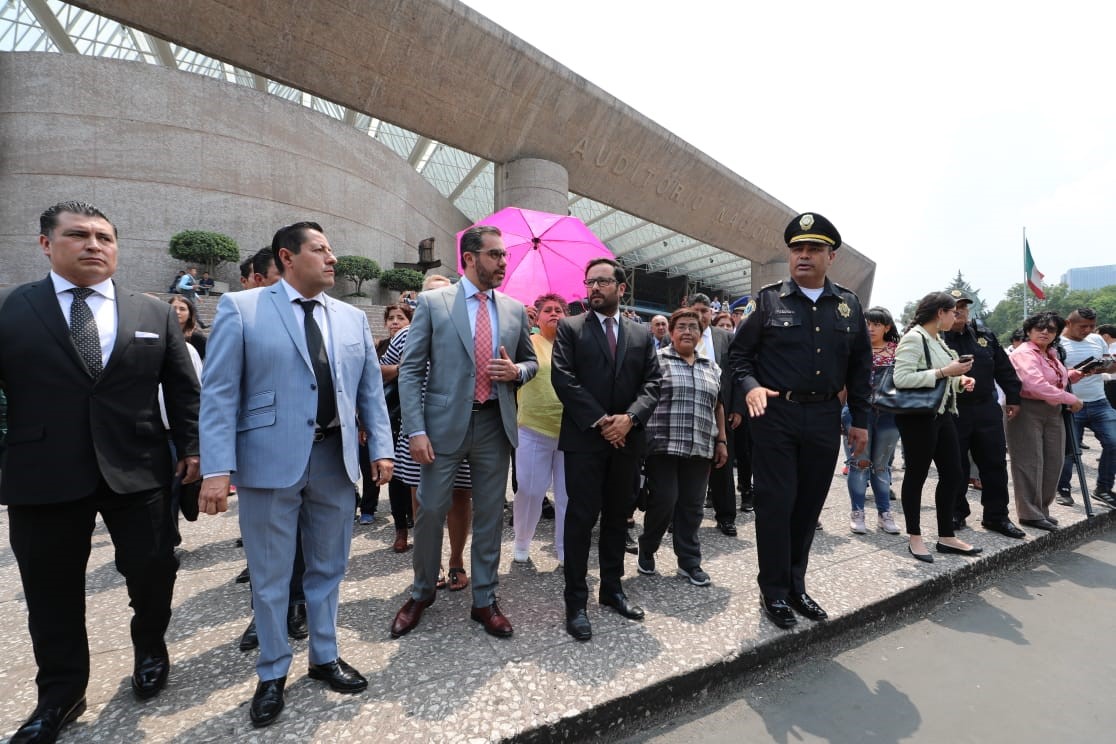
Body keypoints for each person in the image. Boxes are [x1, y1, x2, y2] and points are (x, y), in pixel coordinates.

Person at [0, 201, 200, 743]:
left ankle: (150, 645)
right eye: (78, 235)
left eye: (104, 237)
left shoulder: (152, 313)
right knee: (50, 591)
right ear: (46, 244)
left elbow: (183, 389)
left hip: (139, 467)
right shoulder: (11, 310)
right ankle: (60, 693)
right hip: (42, 473)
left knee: (155, 570)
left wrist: (193, 448)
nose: (93, 245)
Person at [198, 220, 394, 728]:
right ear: (287, 257)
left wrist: (383, 448)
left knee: (329, 567)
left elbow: (370, 391)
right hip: (267, 461)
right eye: (320, 250)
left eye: (333, 250)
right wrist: (217, 468)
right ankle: (271, 672)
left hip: (335, 460)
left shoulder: (351, 318)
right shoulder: (242, 309)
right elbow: (219, 393)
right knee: (270, 576)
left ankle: (323, 656)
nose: (332, 259)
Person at [389, 225, 538, 639]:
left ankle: (485, 599)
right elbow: (412, 369)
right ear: (468, 259)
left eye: (505, 255)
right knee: (431, 510)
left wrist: (517, 371)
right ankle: (421, 593)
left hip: (494, 422)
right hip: (440, 427)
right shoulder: (434, 303)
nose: (503, 262)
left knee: (490, 517)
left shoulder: (512, 308)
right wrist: (414, 429)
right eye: (495, 255)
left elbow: (530, 362)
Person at [728, 212, 870, 630]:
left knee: (808, 505)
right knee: (776, 504)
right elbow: (739, 357)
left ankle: (796, 585)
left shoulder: (848, 304)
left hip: (825, 415)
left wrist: (859, 419)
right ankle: (772, 590)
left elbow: (861, 365)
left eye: (813, 249)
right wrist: (751, 385)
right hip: (776, 415)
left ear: (832, 256)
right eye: (797, 249)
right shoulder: (768, 300)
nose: (803, 256)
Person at [552, 257, 662, 641]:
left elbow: (653, 384)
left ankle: (612, 589)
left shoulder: (642, 334)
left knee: (618, 518)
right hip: (585, 441)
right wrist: (603, 422)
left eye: (602, 281)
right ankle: (576, 601)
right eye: (589, 282)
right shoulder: (570, 328)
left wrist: (628, 420)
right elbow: (563, 379)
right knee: (580, 521)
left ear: (621, 287)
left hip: (628, 442)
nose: (594, 288)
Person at [637, 308, 728, 586]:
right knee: (664, 500)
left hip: (700, 446)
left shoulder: (711, 367)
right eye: (682, 327)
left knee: (692, 506)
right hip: (662, 445)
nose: (687, 331)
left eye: (693, 327)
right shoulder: (656, 361)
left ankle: (689, 562)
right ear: (672, 333)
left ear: (701, 334)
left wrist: (721, 440)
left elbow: (718, 405)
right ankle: (648, 547)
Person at [892, 292, 979, 562]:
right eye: (953, 312)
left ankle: (945, 535)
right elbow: (902, 378)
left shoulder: (937, 340)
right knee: (916, 475)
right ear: (940, 312)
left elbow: (943, 376)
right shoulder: (914, 338)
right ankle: (915, 537)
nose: (956, 317)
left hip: (941, 414)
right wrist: (946, 373)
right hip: (918, 417)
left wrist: (960, 380)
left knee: (954, 473)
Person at [941, 290, 1026, 538]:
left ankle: (996, 516)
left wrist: (1013, 397)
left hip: (986, 409)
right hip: (953, 409)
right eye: (953, 307)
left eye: (964, 307)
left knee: (994, 463)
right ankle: (956, 512)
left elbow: (1004, 368)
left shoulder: (984, 336)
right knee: (955, 465)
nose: (959, 312)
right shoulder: (935, 338)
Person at [1007, 312, 1083, 530]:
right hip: (1027, 408)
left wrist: (1074, 374)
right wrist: (1070, 398)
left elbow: (1053, 378)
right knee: (1029, 461)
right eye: (1039, 328)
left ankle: (1041, 509)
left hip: (1053, 410)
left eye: (1050, 329)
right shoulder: (1024, 353)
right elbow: (1034, 384)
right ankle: (1029, 513)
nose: (1044, 332)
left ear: (1057, 333)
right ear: (1029, 331)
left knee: (1054, 461)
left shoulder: (1050, 353)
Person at [512, 294, 570, 564]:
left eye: (559, 310)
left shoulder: (574, 346)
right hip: (533, 428)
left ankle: (564, 548)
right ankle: (522, 540)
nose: (554, 314)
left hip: (570, 433)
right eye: (547, 310)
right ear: (538, 316)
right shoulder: (527, 343)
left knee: (567, 496)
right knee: (531, 490)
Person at [842, 306, 902, 535]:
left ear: (887, 327)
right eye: (867, 323)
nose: (870, 328)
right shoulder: (854, 350)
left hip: (890, 417)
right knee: (859, 465)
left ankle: (884, 513)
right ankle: (857, 512)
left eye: (876, 324)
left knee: (882, 467)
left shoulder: (899, 351)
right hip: (857, 414)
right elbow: (842, 385)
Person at [687, 293, 739, 536]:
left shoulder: (726, 338)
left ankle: (726, 516)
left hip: (722, 410)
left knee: (723, 464)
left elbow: (738, 374)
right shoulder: (676, 335)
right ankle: (678, 518)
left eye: (704, 311)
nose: (700, 316)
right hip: (687, 412)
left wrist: (737, 408)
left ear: (712, 313)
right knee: (685, 466)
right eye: (695, 310)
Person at [1055, 308, 1116, 507]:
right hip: (1071, 403)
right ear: (1068, 323)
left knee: (1113, 443)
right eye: (1083, 326)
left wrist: (1105, 366)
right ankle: (1062, 489)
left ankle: (1104, 488)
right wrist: (1077, 371)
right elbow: (1053, 373)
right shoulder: (1057, 343)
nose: (1088, 330)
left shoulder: (1097, 340)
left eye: (1091, 326)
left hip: (1099, 400)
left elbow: (1111, 365)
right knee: (1070, 451)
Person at [365, 303, 414, 548]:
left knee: (416, 478)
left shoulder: (422, 337)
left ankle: (416, 520)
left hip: (414, 415)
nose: (396, 322)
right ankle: (400, 530)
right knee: (394, 477)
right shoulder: (380, 346)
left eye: (401, 318)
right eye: (391, 318)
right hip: (390, 415)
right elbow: (372, 377)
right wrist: (401, 368)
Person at [169, 294, 207, 360]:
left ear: (190, 314)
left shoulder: (197, 338)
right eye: (173, 308)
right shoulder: (162, 334)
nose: (177, 312)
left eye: (182, 309)